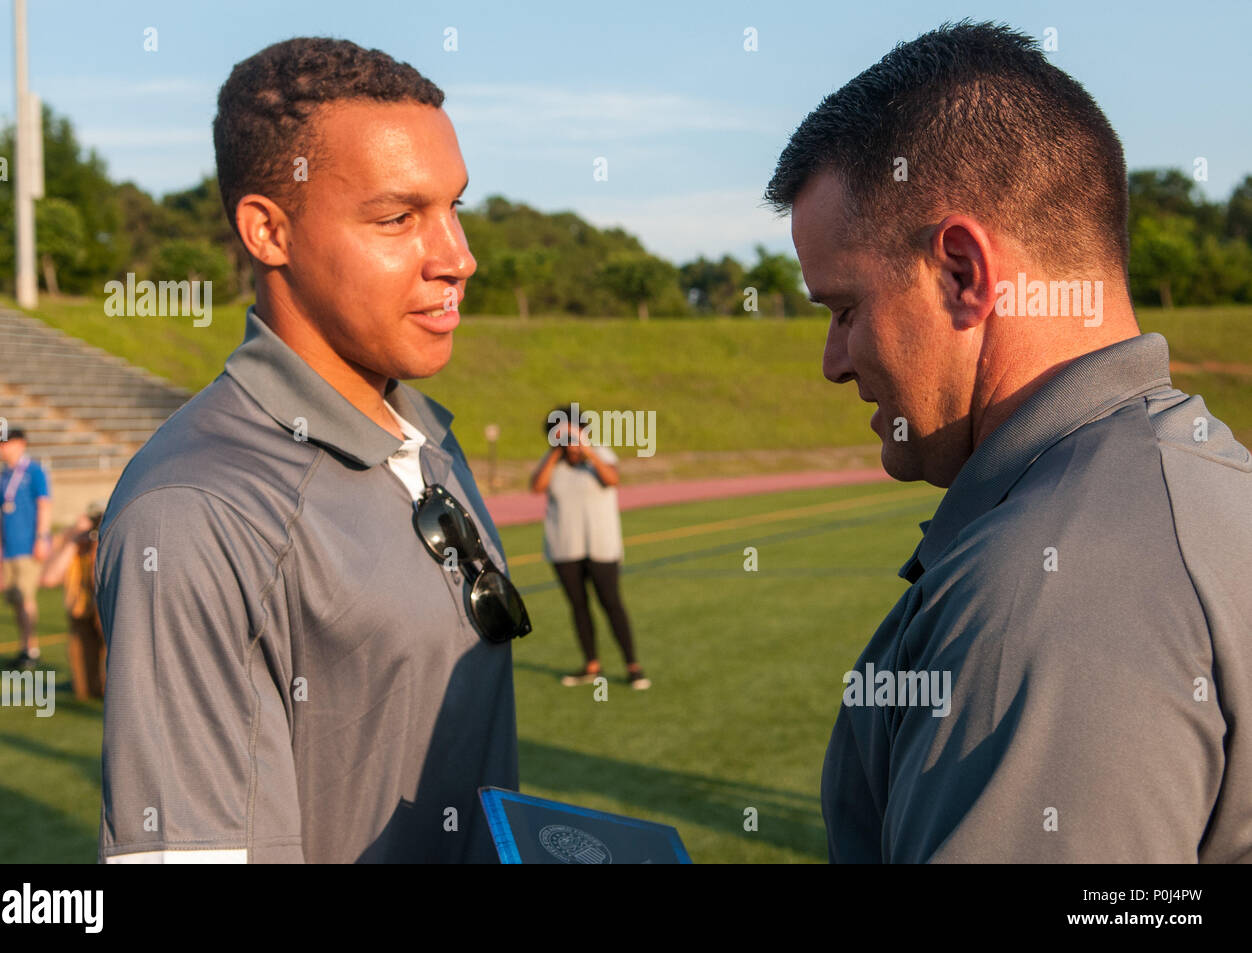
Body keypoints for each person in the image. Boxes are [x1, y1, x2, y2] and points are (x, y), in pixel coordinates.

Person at [766, 21, 1252, 862]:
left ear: (963, 272)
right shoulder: (1204, 468)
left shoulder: (1047, 592)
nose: (832, 362)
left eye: (845, 309)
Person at [95, 37, 529, 864]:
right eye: (399, 218)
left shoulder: (430, 440)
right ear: (268, 231)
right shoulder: (195, 512)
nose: (458, 258)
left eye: (454, 208)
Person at [529, 407, 648, 690]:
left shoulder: (600, 455)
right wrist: (556, 453)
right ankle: (591, 665)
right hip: (565, 546)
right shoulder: (552, 462)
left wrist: (588, 451)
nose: (569, 438)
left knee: (611, 603)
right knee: (578, 606)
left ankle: (633, 665)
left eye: (573, 431)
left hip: (601, 545)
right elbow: (537, 486)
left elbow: (612, 479)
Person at [0, 428, 51, 671]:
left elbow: (44, 504)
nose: (0, 448)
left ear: (20, 444)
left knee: (26, 598)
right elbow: (1, 513)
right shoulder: (4, 475)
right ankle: (23, 647)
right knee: (15, 600)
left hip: (27, 544)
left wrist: (42, 538)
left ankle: (31, 650)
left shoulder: (34, 471)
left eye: (4, 443)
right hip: (9, 548)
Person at [40, 503, 105, 700]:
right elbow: (49, 578)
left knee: (114, 686)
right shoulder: (72, 539)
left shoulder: (112, 538)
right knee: (84, 690)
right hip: (81, 613)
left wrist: (97, 548)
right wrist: (74, 543)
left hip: (108, 615)